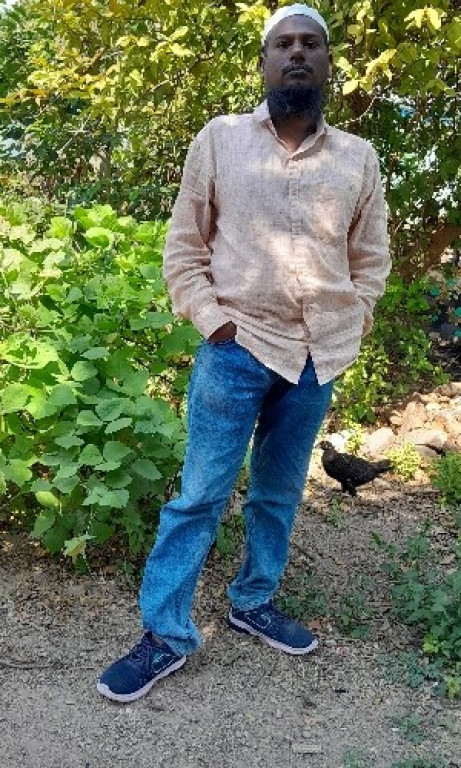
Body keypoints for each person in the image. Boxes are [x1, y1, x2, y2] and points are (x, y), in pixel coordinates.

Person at [97, 4, 391, 703]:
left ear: (328, 63)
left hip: (316, 359)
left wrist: (354, 319)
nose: (297, 53)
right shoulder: (221, 140)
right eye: (282, 44)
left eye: (310, 44)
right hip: (237, 349)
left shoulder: (357, 157)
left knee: (279, 492)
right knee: (200, 495)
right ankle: (165, 634)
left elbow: (371, 256)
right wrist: (212, 321)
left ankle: (252, 600)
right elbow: (184, 245)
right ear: (263, 63)